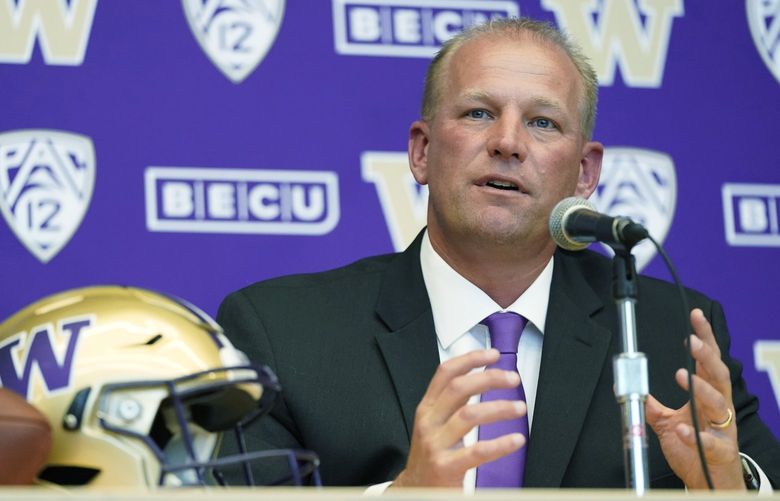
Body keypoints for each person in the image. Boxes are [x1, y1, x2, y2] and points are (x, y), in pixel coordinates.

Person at [217, 17, 780, 491]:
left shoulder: (664, 332)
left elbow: (756, 477)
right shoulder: (283, 333)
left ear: (585, 173)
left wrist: (731, 487)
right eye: (478, 113)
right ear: (422, 152)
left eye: (542, 122)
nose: (508, 142)